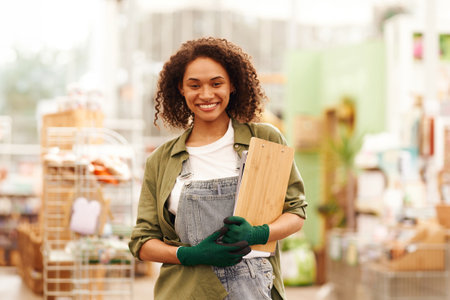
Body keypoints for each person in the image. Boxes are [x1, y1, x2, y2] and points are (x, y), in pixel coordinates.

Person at [129, 37, 307, 300]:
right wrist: (188, 254)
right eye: (194, 85)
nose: (206, 94)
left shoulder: (265, 141)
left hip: (252, 289)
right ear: (181, 88)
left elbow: (296, 212)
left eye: (216, 83)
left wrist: (259, 233)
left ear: (233, 84)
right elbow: (142, 242)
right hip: (187, 290)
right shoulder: (162, 160)